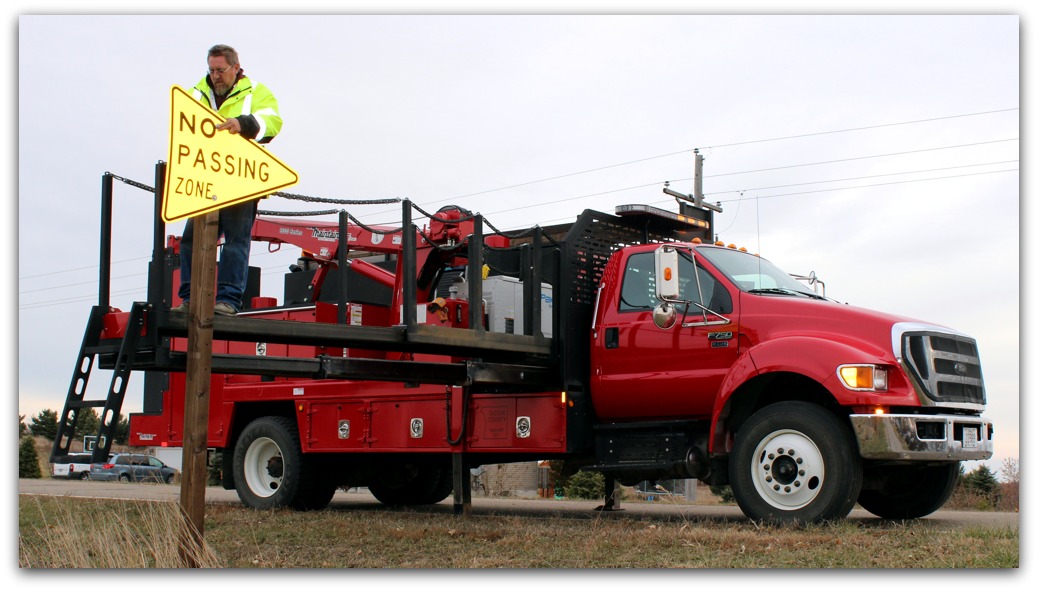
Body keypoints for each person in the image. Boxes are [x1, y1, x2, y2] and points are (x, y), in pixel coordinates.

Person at [175, 44, 283, 316]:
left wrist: (243, 123)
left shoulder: (256, 91)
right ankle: (190, 298)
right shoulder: (196, 92)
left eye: (221, 70)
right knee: (190, 239)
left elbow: (272, 122)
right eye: (212, 70)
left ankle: (228, 300)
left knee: (236, 241)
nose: (215, 76)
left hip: (240, 178)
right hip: (205, 179)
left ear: (236, 67)